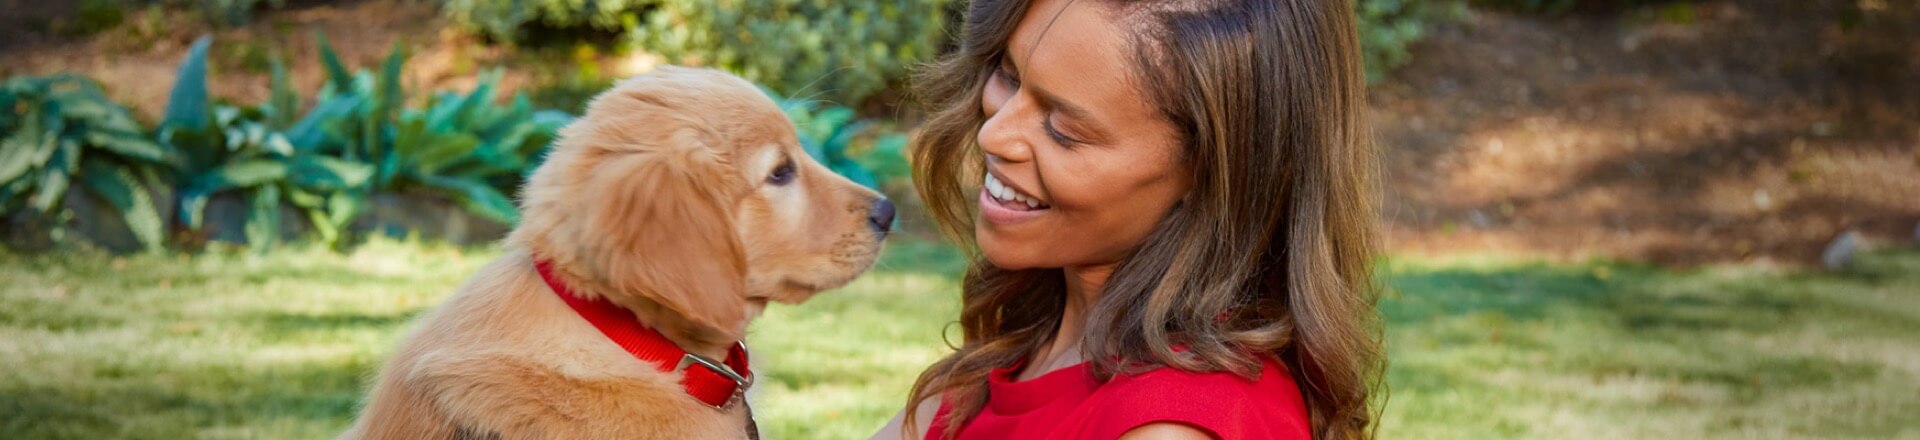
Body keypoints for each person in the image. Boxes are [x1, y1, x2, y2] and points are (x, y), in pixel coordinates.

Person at [869, 0, 1384, 438]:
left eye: (1065, 129)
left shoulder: (1172, 424)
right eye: (1008, 76)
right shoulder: (1029, 344)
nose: (993, 137)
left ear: (1212, 174)